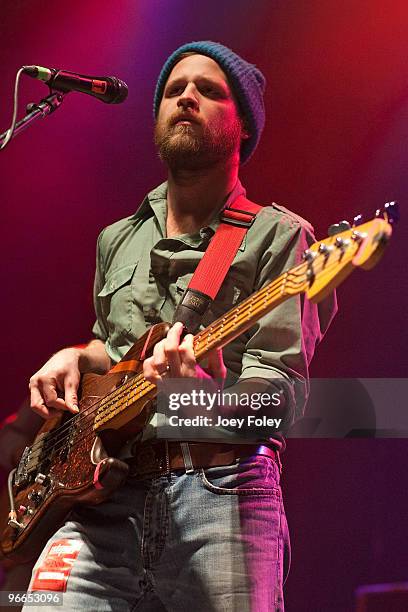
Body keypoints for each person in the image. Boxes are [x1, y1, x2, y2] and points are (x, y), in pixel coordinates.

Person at [25, 41, 336, 611]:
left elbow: (281, 401)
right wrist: (79, 356)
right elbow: (113, 351)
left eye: (209, 90)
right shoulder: (116, 239)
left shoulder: (281, 237)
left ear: (243, 127)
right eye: (174, 89)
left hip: (223, 492)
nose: (186, 97)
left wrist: (200, 398)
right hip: (105, 501)